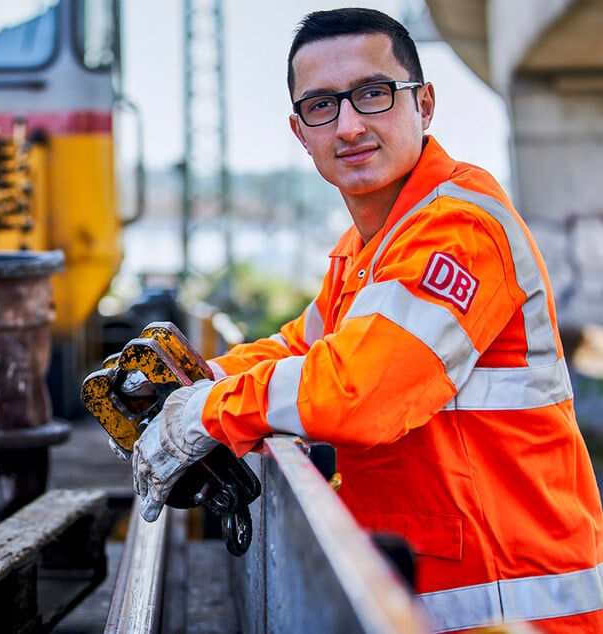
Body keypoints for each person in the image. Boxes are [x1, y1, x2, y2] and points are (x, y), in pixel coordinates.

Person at [130, 7, 603, 632]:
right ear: (301, 132)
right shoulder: (368, 248)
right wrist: (196, 380)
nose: (349, 125)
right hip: (428, 597)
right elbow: (298, 349)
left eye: (372, 95)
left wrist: (211, 411)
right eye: (323, 106)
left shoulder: (457, 230)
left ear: (424, 105)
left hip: (517, 609)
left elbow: (362, 391)